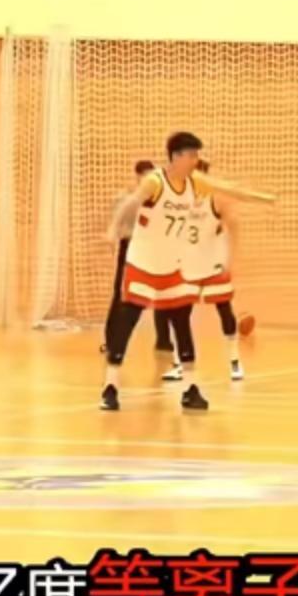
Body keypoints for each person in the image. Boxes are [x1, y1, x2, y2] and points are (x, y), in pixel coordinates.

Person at [100, 132, 274, 413]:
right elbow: (131, 203)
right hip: (143, 261)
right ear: (177, 156)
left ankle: (190, 388)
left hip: (172, 264)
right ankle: (110, 387)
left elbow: (228, 189)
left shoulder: (196, 182)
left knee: (182, 323)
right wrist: (113, 229)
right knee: (127, 320)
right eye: (192, 155)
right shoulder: (155, 181)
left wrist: (262, 199)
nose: (195, 160)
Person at [161, 160, 251, 383]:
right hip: (187, 263)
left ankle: (235, 361)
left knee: (224, 310)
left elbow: (234, 226)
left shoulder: (216, 199)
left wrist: (231, 259)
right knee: (178, 313)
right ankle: (179, 363)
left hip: (213, 263)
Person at [99, 160, 158, 354]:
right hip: (130, 245)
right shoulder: (127, 198)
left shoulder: (158, 200)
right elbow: (118, 219)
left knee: (158, 295)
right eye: (145, 176)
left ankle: (164, 341)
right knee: (121, 293)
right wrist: (112, 234)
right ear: (138, 176)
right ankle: (112, 341)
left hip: (150, 248)